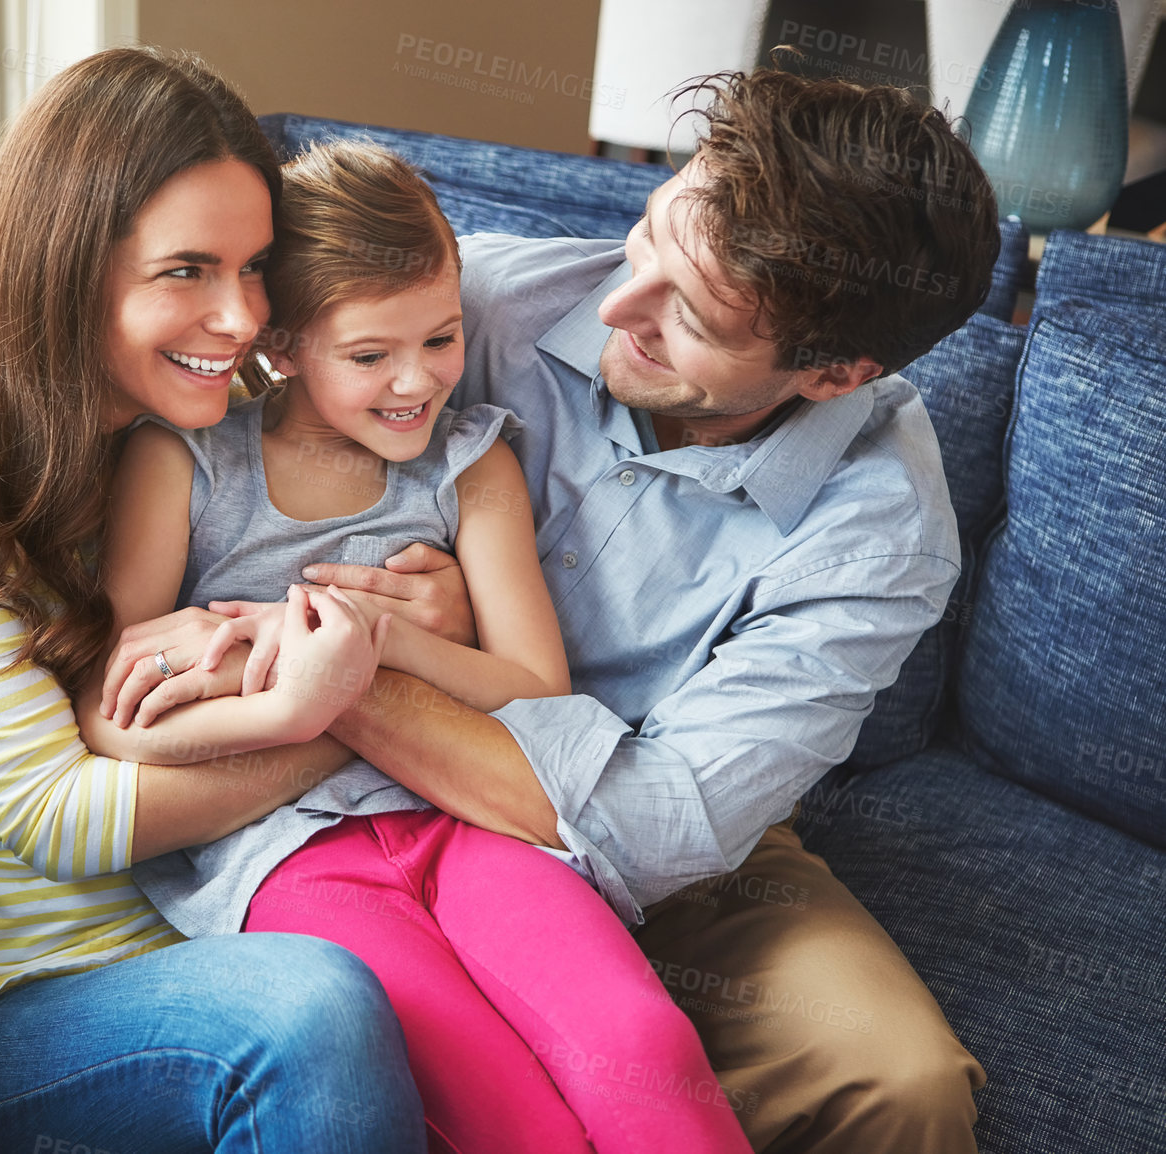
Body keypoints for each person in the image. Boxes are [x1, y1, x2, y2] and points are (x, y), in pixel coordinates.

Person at [103, 67, 1001, 1153]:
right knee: (464, 1061)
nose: (616, 309)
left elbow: (653, 826)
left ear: (832, 373)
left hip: (671, 821)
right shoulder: (473, 306)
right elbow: (250, 407)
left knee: (898, 1082)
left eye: (695, 315)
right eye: (650, 239)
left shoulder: (881, 528)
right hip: (335, 812)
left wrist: (344, 664)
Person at [82, 138, 752, 1154]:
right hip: (285, 851)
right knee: (501, 1101)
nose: (416, 381)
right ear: (282, 347)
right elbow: (106, 711)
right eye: (368, 356)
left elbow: (534, 683)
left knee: (641, 1043)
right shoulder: (181, 463)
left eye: (441, 338)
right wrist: (295, 698)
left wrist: (369, 635)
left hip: (462, 815)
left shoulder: (469, 460)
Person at [0, 47, 425, 1152]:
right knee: (307, 1013)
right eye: (188, 269)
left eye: (253, 268)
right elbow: (57, 815)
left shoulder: (183, 430)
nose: (240, 318)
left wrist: (411, 609)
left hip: (227, 907)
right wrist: (350, 707)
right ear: (64, 263)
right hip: (24, 1010)